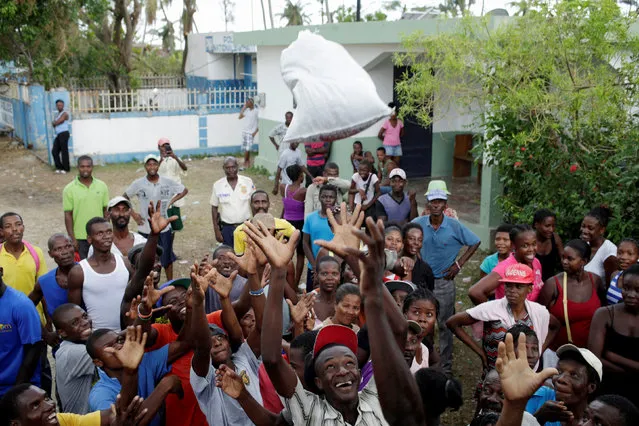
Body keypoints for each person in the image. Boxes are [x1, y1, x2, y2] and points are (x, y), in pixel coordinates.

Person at [253, 214, 426, 426]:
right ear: (318, 382)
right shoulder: (309, 410)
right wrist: (279, 271)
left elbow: (399, 328)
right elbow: (271, 359)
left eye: (350, 363)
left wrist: (363, 271)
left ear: (360, 373)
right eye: (330, 367)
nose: (343, 371)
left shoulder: (376, 398)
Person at [189, 243, 266, 426]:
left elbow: (262, 326)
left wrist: (254, 273)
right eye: (211, 340)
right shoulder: (205, 379)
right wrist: (199, 303)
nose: (216, 343)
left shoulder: (244, 359)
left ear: (229, 342)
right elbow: (202, 345)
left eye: (220, 337)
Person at [411, 180, 481, 373]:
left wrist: (458, 264)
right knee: (420, 323)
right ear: (427, 203)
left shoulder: (454, 226)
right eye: (433, 201)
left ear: (445, 204)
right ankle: (422, 361)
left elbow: (475, 242)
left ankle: (445, 367)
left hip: (444, 281)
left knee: (445, 324)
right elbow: (405, 238)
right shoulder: (418, 224)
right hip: (421, 281)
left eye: (440, 201)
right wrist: (416, 258)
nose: (436, 205)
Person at [448, 264, 552, 373]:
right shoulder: (490, 309)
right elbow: (453, 322)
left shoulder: (537, 312)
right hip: (496, 377)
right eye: (508, 285)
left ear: (530, 288)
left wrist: (539, 349)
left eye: (518, 286)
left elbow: (555, 326)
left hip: (526, 376)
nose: (512, 290)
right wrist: (481, 354)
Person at [86, 325, 185, 426]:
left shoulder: (142, 362)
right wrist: (164, 387)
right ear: (98, 362)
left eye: (120, 341)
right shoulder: (101, 395)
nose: (119, 347)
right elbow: (125, 424)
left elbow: (184, 345)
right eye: (110, 347)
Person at [124, 154, 188, 281]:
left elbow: (184, 190)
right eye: (149, 164)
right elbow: (124, 197)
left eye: (154, 164)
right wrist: (134, 215)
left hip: (163, 228)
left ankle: (170, 283)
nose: (152, 167)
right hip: (145, 229)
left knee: (167, 259)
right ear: (145, 167)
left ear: (158, 166)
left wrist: (171, 202)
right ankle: (147, 285)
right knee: (146, 259)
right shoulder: (138, 183)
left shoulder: (166, 181)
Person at [537, 239, 605, 351]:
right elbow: (538, 317)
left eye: (570, 259)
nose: (564, 261)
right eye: (563, 257)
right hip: (557, 353)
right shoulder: (552, 285)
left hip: (589, 353)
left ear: (584, 261)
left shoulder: (595, 281)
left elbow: (603, 311)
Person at [67, 217, 133, 330]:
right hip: (97, 338)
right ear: (89, 239)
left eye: (109, 232)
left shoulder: (125, 263)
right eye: (100, 233)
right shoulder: (79, 271)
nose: (106, 236)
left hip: (127, 333)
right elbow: (75, 311)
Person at [588, 264, 639, 407]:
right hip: (608, 390)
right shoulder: (605, 314)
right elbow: (594, 361)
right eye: (626, 288)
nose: (630, 294)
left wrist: (614, 357)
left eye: (638, 290)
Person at [0, 383, 150, 426]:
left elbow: (116, 414)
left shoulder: (62, 420)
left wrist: (130, 370)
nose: (50, 405)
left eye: (46, 398)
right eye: (35, 406)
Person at [470, 225, 544, 305]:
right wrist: (492, 315)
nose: (531, 249)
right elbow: (475, 292)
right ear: (513, 246)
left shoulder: (536, 262)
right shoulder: (506, 267)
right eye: (525, 246)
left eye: (534, 244)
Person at [531, 344, 602, 426]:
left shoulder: (594, 421)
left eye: (573, 375)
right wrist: (538, 418)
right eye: (559, 371)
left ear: (591, 387)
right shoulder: (537, 396)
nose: (561, 379)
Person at [0, 266, 42, 397]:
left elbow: (34, 348)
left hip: (15, 388)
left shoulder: (21, 305)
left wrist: (16, 392)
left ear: (1, 271)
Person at [0, 212, 47, 320]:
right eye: (8, 226)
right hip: (5, 319)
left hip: (34, 316)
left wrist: (48, 319)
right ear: (1, 231)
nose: (14, 229)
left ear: (23, 227)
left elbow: (43, 288)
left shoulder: (36, 252)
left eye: (18, 224)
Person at [62, 156, 110, 260]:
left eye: (88, 166)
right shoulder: (69, 189)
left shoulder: (102, 186)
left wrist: (107, 233)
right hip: (80, 238)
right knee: (84, 267)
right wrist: (72, 238)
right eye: (82, 166)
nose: (85, 169)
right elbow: (68, 215)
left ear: (92, 167)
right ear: (77, 167)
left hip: (99, 235)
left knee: (101, 263)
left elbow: (106, 212)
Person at [51, 304, 95, 414]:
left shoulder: (73, 344)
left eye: (85, 316)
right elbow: (117, 351)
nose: (85, 322)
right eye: (75, 323)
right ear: (62, 333)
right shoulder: (73, 353)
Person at [29, 234, 76, 324]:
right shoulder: (44, 282)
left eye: (68, 246)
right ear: (50, 254)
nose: (64, 252)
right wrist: (44, 332)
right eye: (58, 249)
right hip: (63, 335)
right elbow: (25, 308)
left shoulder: (88, 272)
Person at [232, 190, 296, 256]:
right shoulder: (240, 231)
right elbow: (240, 257)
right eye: (256, 202)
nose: (261, 206)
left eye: (264, 202)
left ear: (269, 204)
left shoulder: (283, 225)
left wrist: (289, 252)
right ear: (251, 205)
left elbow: (297, 234)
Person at [210, 157, 255, 249]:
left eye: (233, 167)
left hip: (245, 226)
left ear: (237, 167)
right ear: (223, 168)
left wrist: (256, 224)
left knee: (246, 254)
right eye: (228, 168)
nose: (231, 170)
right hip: (227, 228)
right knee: (229, 257)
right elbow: (214, 207)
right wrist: (216, 230)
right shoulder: (217, 185)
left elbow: (255, 203)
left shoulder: (247, 182)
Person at [302, 184, 336, 292]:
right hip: (314, 267)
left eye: (331, 197)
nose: (328, 200)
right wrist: (314, 265)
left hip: (335, 267)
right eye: (325, 196)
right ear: (319, 198)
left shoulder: (339, 219)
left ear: (335, 199)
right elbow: (305, 243)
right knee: (312, 296)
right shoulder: (310, 218)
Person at [279, 165, 306, 284]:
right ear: (301, 176)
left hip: (285, 223)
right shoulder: (303, 191)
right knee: (300, 255)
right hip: (299, 224)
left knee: (287, 254)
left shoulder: (283, 188)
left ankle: (286, 281)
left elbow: (285, 207)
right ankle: (295, 282)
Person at [403, 288, 440, 370]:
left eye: (429, 314)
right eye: (416, 312)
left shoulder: (425, 349)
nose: (422, 319)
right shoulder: (398, 345)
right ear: (405, 313)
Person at [205, 245, 247, 313]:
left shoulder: (245, 284)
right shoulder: (207, 283)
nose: (226, 262)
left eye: (230, 258)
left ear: (236, 261)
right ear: (213, 263)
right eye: (221, 258)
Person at [158, 137, 188, 232]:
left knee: (174, 225)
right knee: (164, 223)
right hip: (163, 194)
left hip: (175, 196)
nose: (165, 148)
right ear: (159, 147)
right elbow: (152, 172)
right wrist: (160, 160)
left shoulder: (175, 158)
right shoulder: (155, 159)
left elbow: (185, 168)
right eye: (163, 146)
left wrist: (174, 157)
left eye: (167, 145)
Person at [580, 206, 617, 283]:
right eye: (583, 226)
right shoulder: (584, 244)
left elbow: (609, 286)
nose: (584, 231)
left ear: (602, 230)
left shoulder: (609, 253)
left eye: (590, 228)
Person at [401, 223, 435, 291]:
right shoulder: (393, 263)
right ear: (403, 240)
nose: (416, 243)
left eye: (420, 240)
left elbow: (429, 293)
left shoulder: (425, 269)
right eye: (412, 239)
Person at [533, 209, 564, 282]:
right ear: (536, 225)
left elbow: (564, 261)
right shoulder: (529, 240)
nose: (551, 229)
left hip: (550, 284)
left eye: (553, 226)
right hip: (531, 285)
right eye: (547, 226)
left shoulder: (555, 239)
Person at [606, 238, 639, 304]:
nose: (623, 257)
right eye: (620, 253)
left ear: (638, 256)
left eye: (630, 254)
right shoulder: (614, 275)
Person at [51, 99, 71, 174]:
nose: (60, 106)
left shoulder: (64, 113)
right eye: (58, 105)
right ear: (56, 106)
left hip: (64, 134)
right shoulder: (58, 114)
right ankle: (59, 167)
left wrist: (55, 123)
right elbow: (55, 123)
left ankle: (66, 168)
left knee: (64, 151)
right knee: (54, 151)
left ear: (63, 105)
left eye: (61, 105)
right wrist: (55, 123)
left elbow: (60, 121)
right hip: (59, 134)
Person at [239, 98, 259, 169]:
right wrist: (244, 108)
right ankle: (247, 163)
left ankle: (245, 163)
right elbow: (240, 117)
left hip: (251, 133)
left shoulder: (256, 111)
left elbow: (259, 122)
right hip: (245, 132)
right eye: (246, 103)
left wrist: (255, 132)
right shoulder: (247, 111)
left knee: (247, 149)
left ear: (251, 103)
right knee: (246, 149)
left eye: (247, 103)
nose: (246, 104)